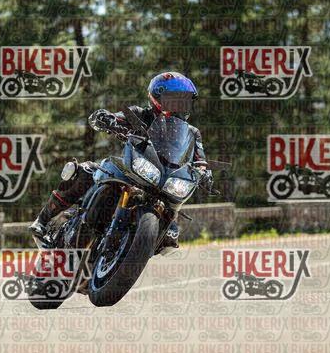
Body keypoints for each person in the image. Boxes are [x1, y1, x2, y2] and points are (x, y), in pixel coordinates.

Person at [29, 71, 211, 252]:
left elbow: (200, 160)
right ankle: (42, 222)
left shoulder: (192, 133)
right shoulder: (139, 114)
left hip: (164, 180)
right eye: (174, 100)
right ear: (157, 99)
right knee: (85, 171)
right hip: (135, 169)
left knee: (170, 233)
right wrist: (105, 118)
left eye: (184, 100)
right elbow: (117, 117)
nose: (179, 105)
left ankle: (136, 245)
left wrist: (205, 173)